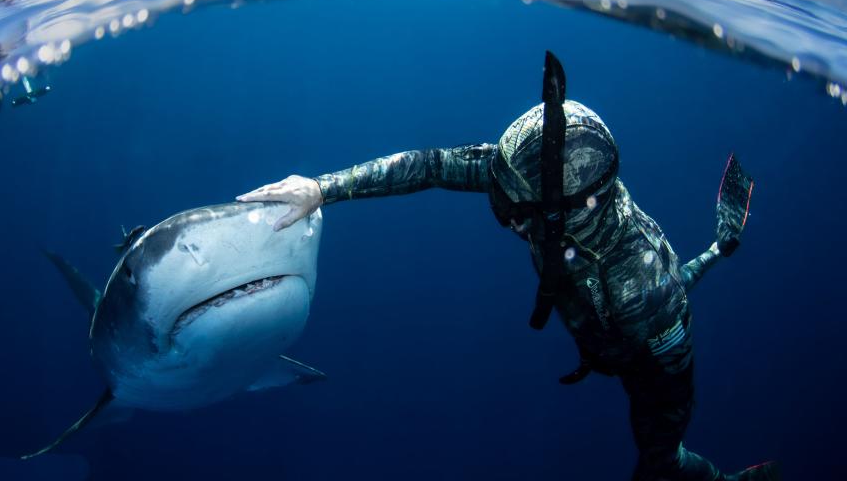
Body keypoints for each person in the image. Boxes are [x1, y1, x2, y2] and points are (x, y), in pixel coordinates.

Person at [237, 52, 778, 481]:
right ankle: (718, 249)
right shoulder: (543, 187)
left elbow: (665, 365)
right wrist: (321, 188)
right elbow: (429, 166)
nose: (501, 209)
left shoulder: (635, 292)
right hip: (613, 312)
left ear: (562, 211)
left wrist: (615, 362)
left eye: (510, 208)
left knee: (660, 463)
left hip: (647, 346)